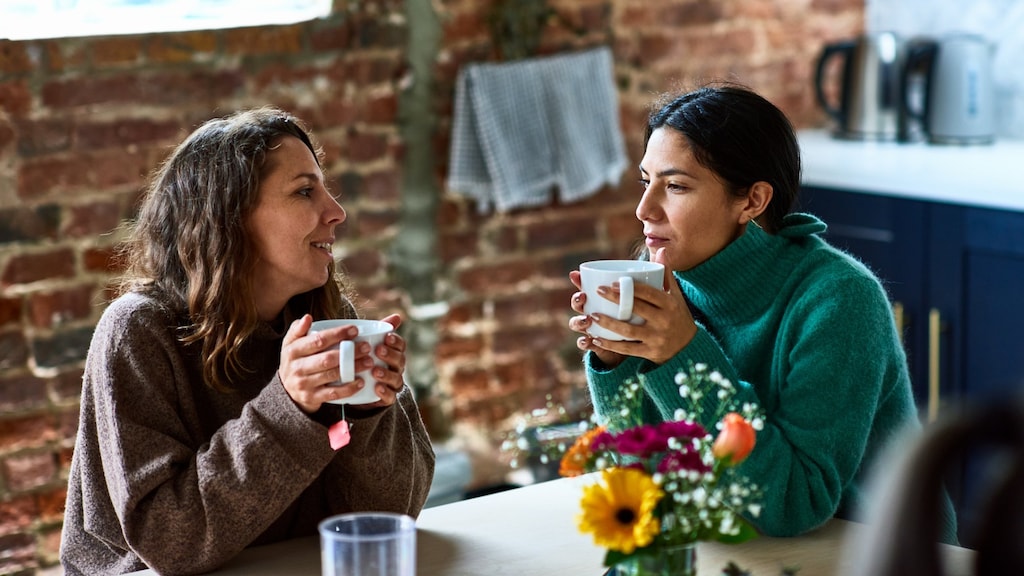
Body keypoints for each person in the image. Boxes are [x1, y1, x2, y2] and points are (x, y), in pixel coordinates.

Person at [567, 84, 958, 544]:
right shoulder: (663, 284)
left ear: (752, 201)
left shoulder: (841, 299)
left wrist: (682, 353)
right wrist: (614, 362)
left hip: (881, 552)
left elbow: (795, 503)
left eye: (675, 186)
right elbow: (645, 475)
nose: (644, 209)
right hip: (744, 547)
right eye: (645, 181)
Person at [60, 107, 435, 575]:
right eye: (304, 191)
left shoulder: (326, 320)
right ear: (230, 217)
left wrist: (366, 411)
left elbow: (392, 517)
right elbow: (169, 541)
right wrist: (289, 409)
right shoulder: (138, 332)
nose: (337, 212)